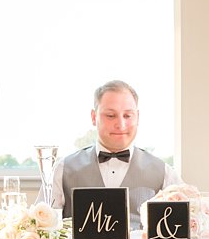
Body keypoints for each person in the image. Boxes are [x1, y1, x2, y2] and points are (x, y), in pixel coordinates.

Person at [51, 81, 181, 219]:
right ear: (94, 117)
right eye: (111, 116)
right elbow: (41, 229)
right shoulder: (63, 169)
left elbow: (188, 221)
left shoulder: (164, 172)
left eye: (127, 115)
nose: (120, 124)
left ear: (138, 117)